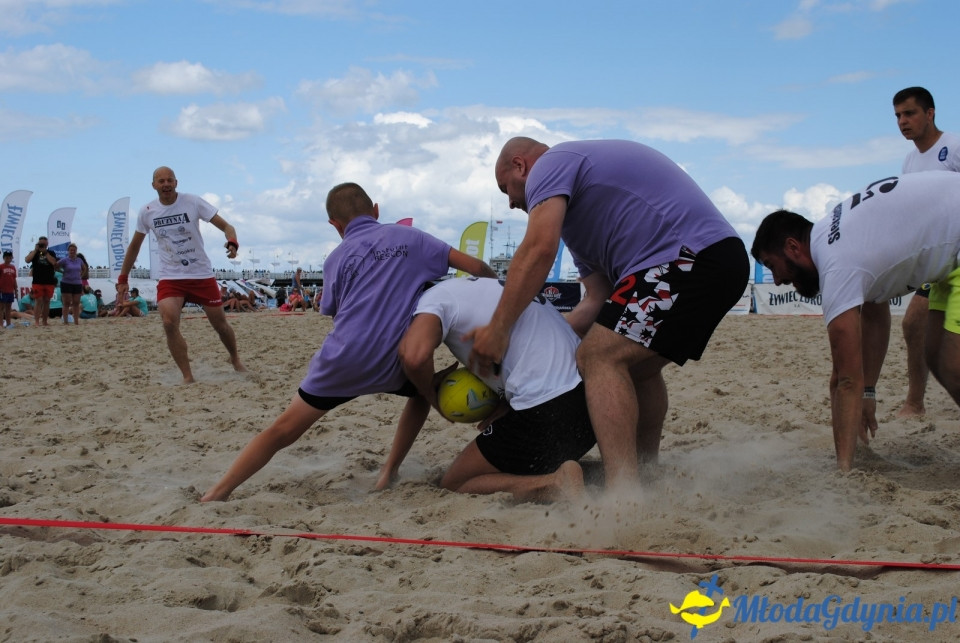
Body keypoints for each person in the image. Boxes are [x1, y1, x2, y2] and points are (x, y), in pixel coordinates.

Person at [469, 138, 749, 490]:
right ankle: (646, 475)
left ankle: (624, 495)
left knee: (601, 356)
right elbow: (597, 301)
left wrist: (499, 329)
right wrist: (552, 347)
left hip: (689, 255)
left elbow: (539, 249)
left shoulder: (552, 163)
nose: (510, 202)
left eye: (505, 188)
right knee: (628, 362)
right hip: (711, 259)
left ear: (521, 166)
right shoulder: (579, 225)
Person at [201, 182, 496, 502]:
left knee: (283, 430)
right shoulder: (412, 238)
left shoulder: (336, 259)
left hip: (342, 362)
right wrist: (497, 307)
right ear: (377, 211)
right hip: (391, 361)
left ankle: (218, 491)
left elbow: (332, 310)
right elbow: (477, 268)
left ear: (335, 226)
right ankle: (388, 472)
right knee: (422, 393)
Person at [751, 172, 960, 471]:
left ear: (793, 247)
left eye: (773, 266)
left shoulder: (837, 266)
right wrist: (869, 393)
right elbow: (875, 309)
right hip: (948, 256)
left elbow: (845, 379)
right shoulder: (833, 235)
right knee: (936, 356)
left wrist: (843, 470)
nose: (778, 280)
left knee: (953, 363)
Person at [390, 277, 596, 502]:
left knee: (455, 482)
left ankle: (555, 483)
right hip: (592, 403)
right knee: (523, 458)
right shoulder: (479, 285)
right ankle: (594, 478)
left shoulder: (432, 302)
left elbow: (415, 358)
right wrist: (508, 401)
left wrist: (428, 394)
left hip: (550, 410)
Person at [117, 166, 246, 383]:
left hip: (201, 274)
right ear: (154, 185)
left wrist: (233, 243)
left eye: (170, 180)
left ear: (176, 182)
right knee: (169, 322)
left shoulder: (193, 202)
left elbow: (227, 226)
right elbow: (134, 247)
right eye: (161, 181)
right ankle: (187, 376)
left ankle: (235, 359)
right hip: (171, 277)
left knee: (220, 325)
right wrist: (123, 278)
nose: (166, 184)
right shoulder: (147, 211)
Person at [890, 87, 960, 418]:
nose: (903, 121)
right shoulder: (910, 161)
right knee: (913, 325)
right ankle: (915, 401)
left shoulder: (954, 146)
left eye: (910, 113)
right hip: (936, 264)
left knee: (947, 353)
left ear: (930, 113)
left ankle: (915, 402)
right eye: (898, 116)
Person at [23, 236, 58, 326]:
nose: (42, 245)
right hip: (37, 281)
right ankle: (37, 321)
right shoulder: (34, 253)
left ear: (47, 244)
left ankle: (45, 321)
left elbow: (54, 262)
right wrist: (35, 250)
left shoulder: (51, 252)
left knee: (47, 301)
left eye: (43, 244)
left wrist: (45, 253)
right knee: (38, 300)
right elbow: (27, 260)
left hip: (49, 281)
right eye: (40, 243)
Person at [58, 243, 86, 325]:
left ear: (76, 251)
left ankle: (76, 321)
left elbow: (84, 268)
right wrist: (61, 271)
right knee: (66, 302)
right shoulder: (65, 260)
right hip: (66, 282)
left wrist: (81, 275)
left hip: (77, 283)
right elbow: (56, 265)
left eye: (74, 250)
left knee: (76, 302)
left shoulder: (79, 260)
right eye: (71, 250)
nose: (72, 251)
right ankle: (65, 321)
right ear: (68, 251)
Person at [1, 250, 17, 328]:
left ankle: (8, 323)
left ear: (11, 258)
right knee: (1, 308)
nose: (8, 259)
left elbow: (14, 279)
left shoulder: (13, 267)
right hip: (2, 290)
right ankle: (0, 324)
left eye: (10, 257)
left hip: (10, 290)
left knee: (8, 308)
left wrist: (16, 290)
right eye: (6, 257)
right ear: (4, 258)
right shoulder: (1, 266)